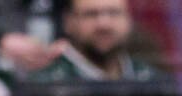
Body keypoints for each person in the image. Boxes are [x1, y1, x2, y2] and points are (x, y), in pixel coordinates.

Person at [25, 0, 163, 79]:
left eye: (114, 13)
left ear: (129, 19)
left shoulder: (150, 78)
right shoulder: (46, 84)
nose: (104, 24)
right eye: (91, 14)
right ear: (68, 22)